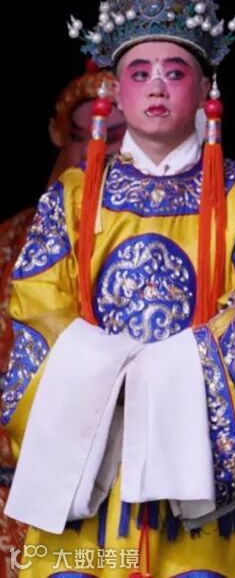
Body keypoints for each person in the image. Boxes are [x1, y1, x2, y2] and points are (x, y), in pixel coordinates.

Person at [1, 0, 235, 577]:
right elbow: (37, 306)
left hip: (194, 462)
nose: (156, 87)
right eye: (140, 73)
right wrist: (115, 378)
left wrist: (163, 379)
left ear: (205, 88)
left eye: (175, 72)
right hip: (91, 457)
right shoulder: (74, 196)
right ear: (116, 91)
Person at [0, 64, 123, 570]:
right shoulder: (13, 238)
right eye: (79, 136)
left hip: (117, 487)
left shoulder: (168, 239)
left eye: (111, 136)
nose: (93, 150)